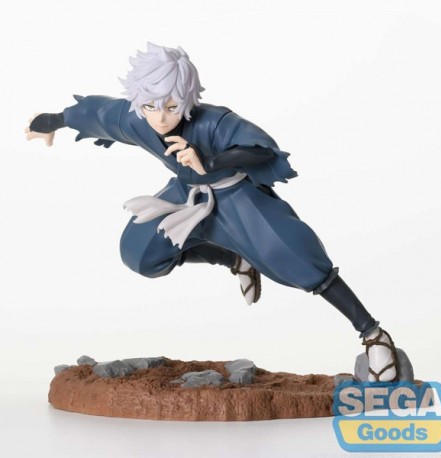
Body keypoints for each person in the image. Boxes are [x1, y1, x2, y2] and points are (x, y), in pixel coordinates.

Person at [26, 43, 399, 382]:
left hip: (239, 200)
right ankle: (233, 259)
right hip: (186, 198)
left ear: (187, 99)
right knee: (140, 252)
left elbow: (261, 148)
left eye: (171, 106)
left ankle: (372, 333)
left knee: (298, 259)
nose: (160, 117)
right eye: (151, 106)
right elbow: (99, 114)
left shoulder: (212, 121)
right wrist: (52, 120)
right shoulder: (138, 118)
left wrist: (210, 160)